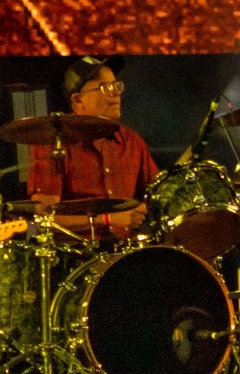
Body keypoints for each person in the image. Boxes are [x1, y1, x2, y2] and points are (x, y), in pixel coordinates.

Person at [26, 55, 159, 241]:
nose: (116, 93)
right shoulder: (52, 145)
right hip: (77, 252)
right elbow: (44, 219)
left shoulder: (131, 141)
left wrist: (146, 207)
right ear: (78, 101)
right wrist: (107, 219)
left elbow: (158, 194)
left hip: (126, 249)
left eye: (116, 85)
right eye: (105, 87)